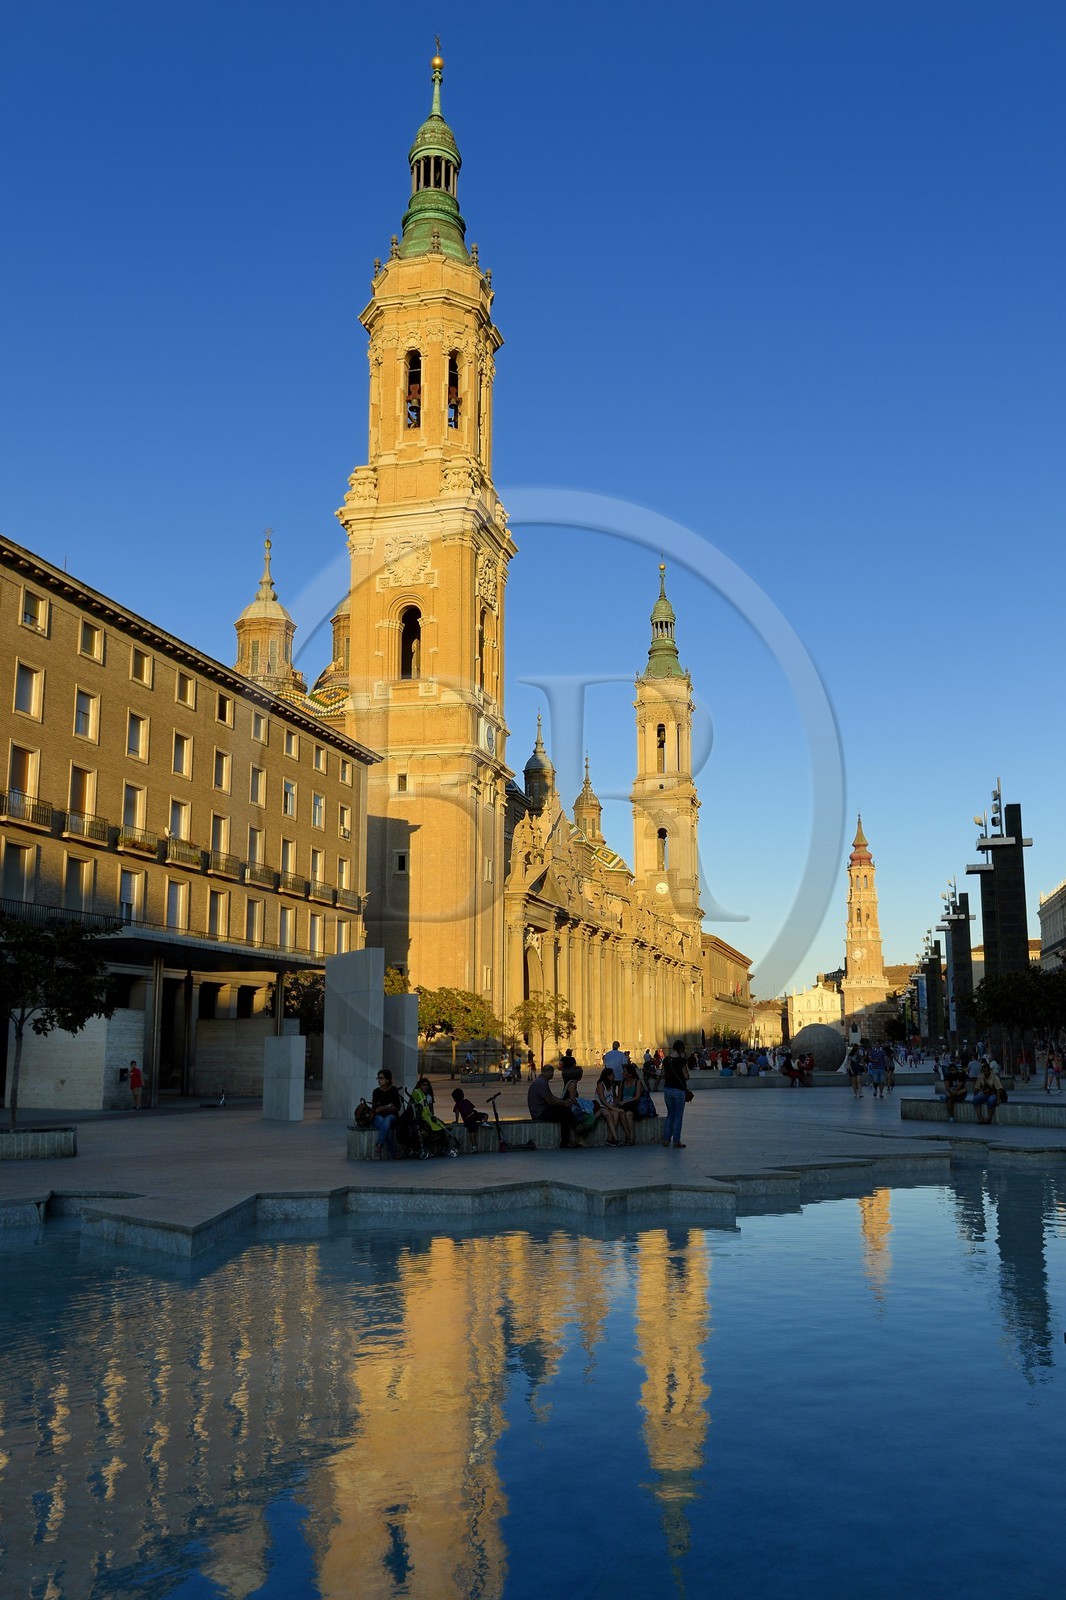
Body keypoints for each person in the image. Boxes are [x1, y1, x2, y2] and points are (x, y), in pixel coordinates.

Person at [527, 1064, 579, 1148]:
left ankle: (575, 1128)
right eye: (552, 1073)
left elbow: (551, 1097)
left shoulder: (541, 1081)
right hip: (540, 1112)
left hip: (541, 1109)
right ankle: (568, 1138)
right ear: (548, 1072)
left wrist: (562, 1102)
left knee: (564, 1110)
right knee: (564, 1113)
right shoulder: (541, 1083)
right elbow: (550, 1101)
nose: (552, 1075)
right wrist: (563, 1103)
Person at [661, 1039, 689, 1149]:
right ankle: (676, 1141)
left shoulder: (666, 1060)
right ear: (682, 1049)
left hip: (667, 1089)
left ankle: (666, 1140)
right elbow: (686, 1076)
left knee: (670, 1115)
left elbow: (663, 1074)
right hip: (678, 1090)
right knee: (678, 1116)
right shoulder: (682, 1061)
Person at [372, 1068, 402, 1158]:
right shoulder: (376, 1092)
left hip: (392, 1116)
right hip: (378, 1116)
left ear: (388, 1079)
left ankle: (379, 1144)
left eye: (381, 1078)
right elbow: (376, 1109)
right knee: (386, 1127)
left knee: (388, 1119)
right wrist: (388, 1106)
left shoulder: (393, 1090)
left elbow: (397, 1107)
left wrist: (383, 1108)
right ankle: (394, 1153)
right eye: (378, 1078)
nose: (379, 1081)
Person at [617, 1060, 648, 1140]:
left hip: (634, 1104)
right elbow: (619, 1097)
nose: (622, 1073)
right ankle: (628, 1135)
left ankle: (631, 1136)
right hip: (624, 1105)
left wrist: (624, 1101)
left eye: (624, 1072)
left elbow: (637, 1097)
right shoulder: (621, 1083)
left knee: (628, 1114)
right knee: (621, 1114)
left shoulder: (637, 1082)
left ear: (630, 1074)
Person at [594, 1068, 627, 1144]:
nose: (614, 1076)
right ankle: (616, 1138)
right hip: (601, 1106)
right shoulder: (600, 1085)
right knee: (608, 1115)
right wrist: (614, 1109)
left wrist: (616, 1104)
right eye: (612, 1075)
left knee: (616, 1115)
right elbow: (602, 1100)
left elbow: (614, 1097)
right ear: (607, 1076)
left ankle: (609, 1138)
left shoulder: (612, 1085)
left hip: (610, 1105)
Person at [972, 1058, 1003, 1125]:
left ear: (990, 1070)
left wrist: (998, 1099)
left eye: (987, 1071)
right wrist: (975, 1097)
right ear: (982, 1071)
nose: (986, 1072)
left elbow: (998, 1089)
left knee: (991, 1100)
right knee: (976, 1099)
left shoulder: (994, 1077)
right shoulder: (980, 1077)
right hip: (985, 1094)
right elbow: (976, 1088)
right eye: (984, 1071)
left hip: (993, 1094)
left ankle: (988, 1118)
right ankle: (980, 1118)